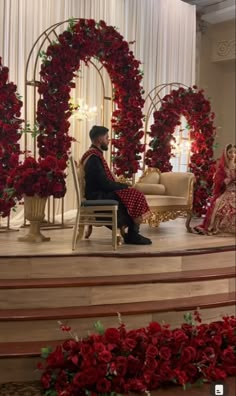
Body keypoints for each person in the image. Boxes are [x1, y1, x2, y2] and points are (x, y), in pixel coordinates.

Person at [80, 125, 152, 245]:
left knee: (132, 193)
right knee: (135, 194)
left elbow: (104, 182)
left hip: (99, 192)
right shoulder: (94, 158)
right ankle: (133, 234)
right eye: (106, 138)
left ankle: (132, 233)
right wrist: (125, 187)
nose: (108, 140)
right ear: (99, 139)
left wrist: (122, 186)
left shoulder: (94, 155)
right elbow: (104, 184)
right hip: (97, 195)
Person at [193, 143, 236, 236]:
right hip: (227, 192)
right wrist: (229, 179)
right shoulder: (222, 168)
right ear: (225, 153)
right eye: (230, 152)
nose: (233, 154)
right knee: (222, 205)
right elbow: (219, 182)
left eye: (234, 152)